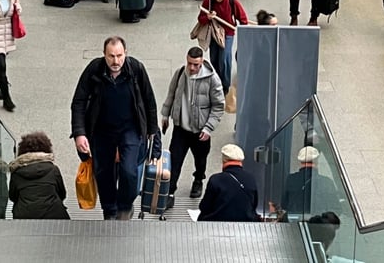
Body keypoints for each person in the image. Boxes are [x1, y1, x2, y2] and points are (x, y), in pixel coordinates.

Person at [70, 36, 160, 221]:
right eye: (111, 56)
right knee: (103, 173)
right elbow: (78, 101)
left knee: (129, 171)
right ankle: (109, 209)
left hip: (130, 129)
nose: (115, 61)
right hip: (102, 130)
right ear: (104, 55)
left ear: (125, 53)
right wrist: (80, 133)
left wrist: (152, 129)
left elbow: (149, 99)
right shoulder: (94, 70)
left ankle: (125, 206)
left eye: (119, 55)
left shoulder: (136, 69)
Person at [160, 46, 224, 209]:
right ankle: (169, 192)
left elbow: (218, 106)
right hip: (181, 128)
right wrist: (165, 115)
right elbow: (171, 94)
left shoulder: (212, 79)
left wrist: (208, 128)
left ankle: (198, 179)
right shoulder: (180, 73)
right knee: (174, 161)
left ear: (202, 62)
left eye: (196, 64)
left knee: (200, 160)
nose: (192, 68)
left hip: (200, 130)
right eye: (190, 63)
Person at [196, 0, 247, 93]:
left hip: (228, 32)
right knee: (214, 58)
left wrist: (244, 32)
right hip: (213, 31)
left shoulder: (232, 2)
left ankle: (225, 85)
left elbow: (242, 18)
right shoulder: (208, 2)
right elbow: (201, 19)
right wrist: (208, 17)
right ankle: (216, 81)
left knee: (224, 59)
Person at [8, 131, 69, 220]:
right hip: (54, 214)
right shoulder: (53, 169)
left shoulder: (16, 172)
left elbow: (13, 197)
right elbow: (62, 194)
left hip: (24, 217)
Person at [197, 144, 258, 222]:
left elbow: (204, 207)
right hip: (245, 221)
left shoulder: (216, 179)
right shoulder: (251, 178)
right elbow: (254, 205)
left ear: (224, 160)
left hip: (218, 222)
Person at [280, 146, 340, 219]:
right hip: (321, 226)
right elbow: (336, 209)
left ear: (300, 161)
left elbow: (284, 205)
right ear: (316, 161)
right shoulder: (326, 181)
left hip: (296, 226)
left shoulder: (291, 179)